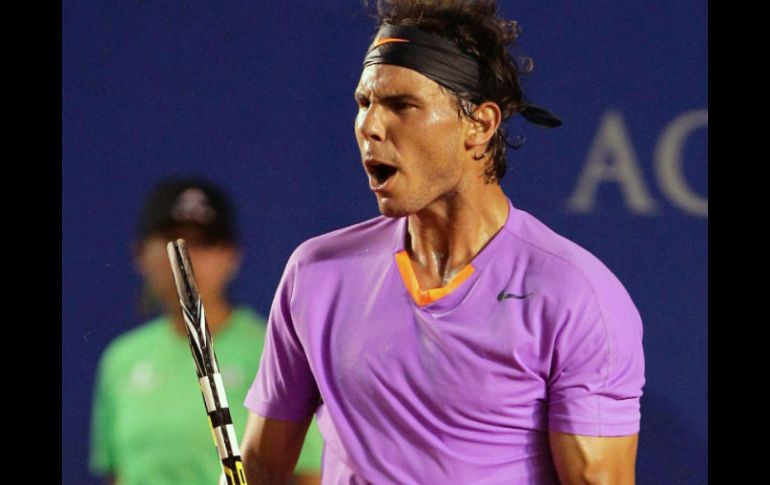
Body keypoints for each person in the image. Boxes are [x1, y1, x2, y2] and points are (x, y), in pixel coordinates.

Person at [240, 1, 645, 484]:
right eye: (364, 103)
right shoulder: (315, 273)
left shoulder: (575, 296)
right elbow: (260, 470)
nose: (370, 126)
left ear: (480, 124)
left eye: (401, 105)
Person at [90, 177, 324, 485]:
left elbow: (309, 475)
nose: (187, 257)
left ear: (231, 256)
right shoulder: (121, 359)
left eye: (204, 243)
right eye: (171, 240)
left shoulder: (275, 351)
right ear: (141, 254)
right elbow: (117, 473)